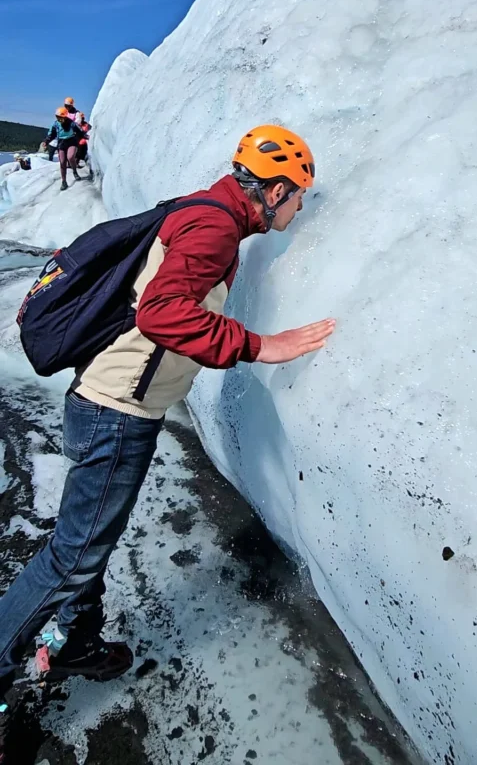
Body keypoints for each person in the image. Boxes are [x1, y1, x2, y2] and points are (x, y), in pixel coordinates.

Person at [0, 125, 335, 762]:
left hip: (108, 404)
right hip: (116, 412)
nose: (300, 208)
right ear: (275, 191)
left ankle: (75, 641)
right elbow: (162, 313)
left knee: (87, 542)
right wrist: (261, 345)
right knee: (73, 555)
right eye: (299, 196)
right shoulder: (214, 228)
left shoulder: (208, 213)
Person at [44, 108, 85, 190]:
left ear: (65, 117)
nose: (59, 119)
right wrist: (46, 141)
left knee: (70, 157)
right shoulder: (56, 124)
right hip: (61, 144)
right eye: (57, 117)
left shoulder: (71, 123)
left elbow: (80, 131)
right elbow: (51, 134)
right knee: (62, 162)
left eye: (60, 117)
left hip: (72, 142)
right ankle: (64, 182)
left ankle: (74, 171)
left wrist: (84, 136)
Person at [75, 113, 93, 179]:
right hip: (77, 142)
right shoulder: (76, 125)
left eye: (82, 118)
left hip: (84, 142)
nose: (82, 119)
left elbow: (91, 130)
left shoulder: (86, 125)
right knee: (77, 154)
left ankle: (89, 167)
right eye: (81, 118)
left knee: (84, 154)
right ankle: (76, 164)